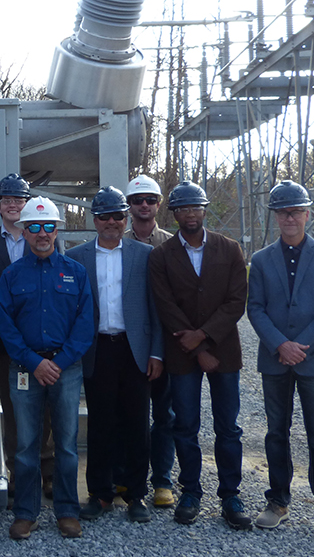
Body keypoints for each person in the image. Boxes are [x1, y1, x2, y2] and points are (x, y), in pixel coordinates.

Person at [247, 181, 314, 542]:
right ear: (275, 216)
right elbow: (255, 308)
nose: (289, 218)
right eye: (283, 212)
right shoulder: (260, 261)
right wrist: (279, 345)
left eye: (295, 211)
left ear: (307, 214)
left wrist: (300, 345)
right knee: (276, 433)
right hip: (275, 360)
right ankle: (277, 500)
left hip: (313, 360)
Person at [147, 181, 251, 530]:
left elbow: (236, 301)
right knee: (185, 425)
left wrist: (205, 339)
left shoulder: (230, 249)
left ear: (204, 211)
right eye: (183, 209)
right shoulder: (161, 256)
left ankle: (230, 495)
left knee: (228, 428)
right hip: (181, 353)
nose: (190, 214)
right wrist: (195, 347)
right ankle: (190, 491)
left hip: (223, 353)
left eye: (196, 208)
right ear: (173, 214)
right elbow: (165, 304)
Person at [0, 197, 93, 540]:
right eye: (34, 226)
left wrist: (59, 363)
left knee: (66, 444)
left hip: (66, 369)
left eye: (48, 226)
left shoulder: (75, 272)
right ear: (24, 230)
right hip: (25, 367)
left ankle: (67, 510)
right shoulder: (10, 275)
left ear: (56, 229)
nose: (41, 233)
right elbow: (5, 325)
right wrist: (35, 363)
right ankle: (26, 512)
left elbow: (85, 324)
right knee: (25, 444)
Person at [68, 186, 163, 526]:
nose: (111, 222)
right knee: (100, 423)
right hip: (98, 349)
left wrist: (156, 353)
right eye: (105, 216)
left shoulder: (144, 254)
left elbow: (155, 309)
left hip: (134, 349)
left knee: (138, 424)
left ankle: (136, 494)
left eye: (118, 216)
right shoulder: (77, 257)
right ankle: (100, 493)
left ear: (126, 219)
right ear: (94, 219)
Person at [0, 173, 54, 496]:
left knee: (43, 409)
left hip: (39, 341)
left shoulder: (43, 236)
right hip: (2, 344)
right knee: (11, 409)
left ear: (28, 203)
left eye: (18, 200)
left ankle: (47, 470)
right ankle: (18, 472)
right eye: (7, 200)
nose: (13, 205)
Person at [122, 174, 177, 510]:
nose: (144, 205)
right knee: (130, 416)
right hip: (130, 345)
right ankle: (128, 478)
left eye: (150, 200)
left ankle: (163, 481)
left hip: (167, 344)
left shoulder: (171, 245)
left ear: (159, 204)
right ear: (129, 206)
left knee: (165, 416)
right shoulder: (116, 240)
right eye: (137, 200)